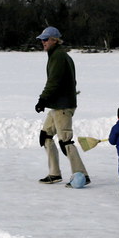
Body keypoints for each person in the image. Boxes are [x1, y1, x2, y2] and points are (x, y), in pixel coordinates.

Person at [34, 26, 90, 186]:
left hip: (63, 107)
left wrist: (42, 99)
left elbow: (54, 81)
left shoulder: (58, 57)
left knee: (65, 141)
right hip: (58, 105)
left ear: (54, 40)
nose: (43, 42)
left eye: (45, 39)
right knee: (45, 136)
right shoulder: (57, 56)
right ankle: (54, 174)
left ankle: (82, 175)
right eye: (42, 40)